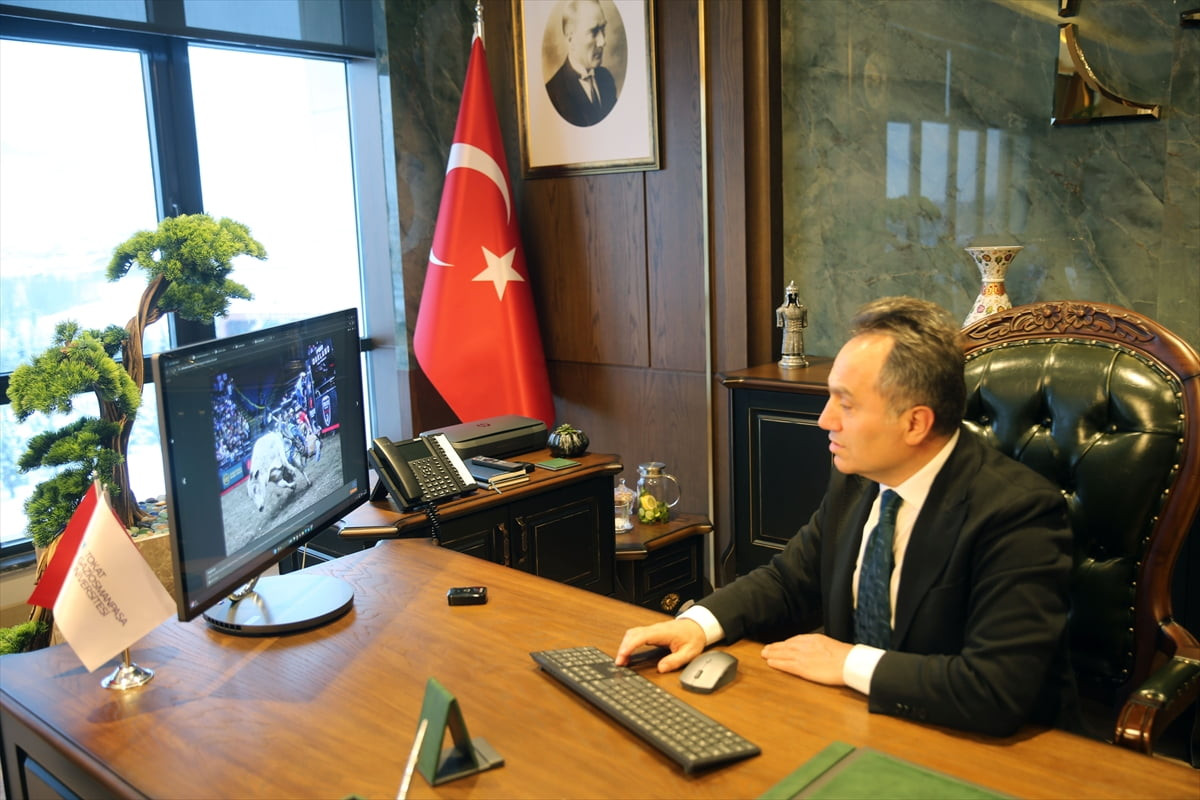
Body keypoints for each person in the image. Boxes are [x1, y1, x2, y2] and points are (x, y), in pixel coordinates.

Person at [616, 296, 1079, 737]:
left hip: (970, 743)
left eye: (847, 403)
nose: (824, 420)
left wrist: (847, 662)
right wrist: (695, 623)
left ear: (915, 423)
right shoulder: (858, 477)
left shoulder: (1018, 512)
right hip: (850, 719)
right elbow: (788, 580)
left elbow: (995, 689)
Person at [545, 0, 618, 127]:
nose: (602, 42)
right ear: (570, 39)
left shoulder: (606, 79)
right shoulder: (554, 93)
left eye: (603, 29)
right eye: (594, 32)